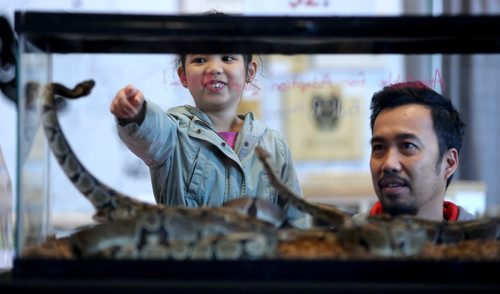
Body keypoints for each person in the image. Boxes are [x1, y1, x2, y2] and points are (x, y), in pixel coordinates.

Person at [110, 53, 306, 227]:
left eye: (227, 58)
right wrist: (136, 114)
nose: (213, 68)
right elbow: (150, 130)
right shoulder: (174, 133)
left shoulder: (273, 144)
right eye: (200, 60)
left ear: (250, 71)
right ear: (183, 76)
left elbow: (296, 220)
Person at [353, 81, 475, 224]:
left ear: (449, 163)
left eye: (407, 146)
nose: (389, 164)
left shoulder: (486, 244)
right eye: (379, 147)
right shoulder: (342, 242)